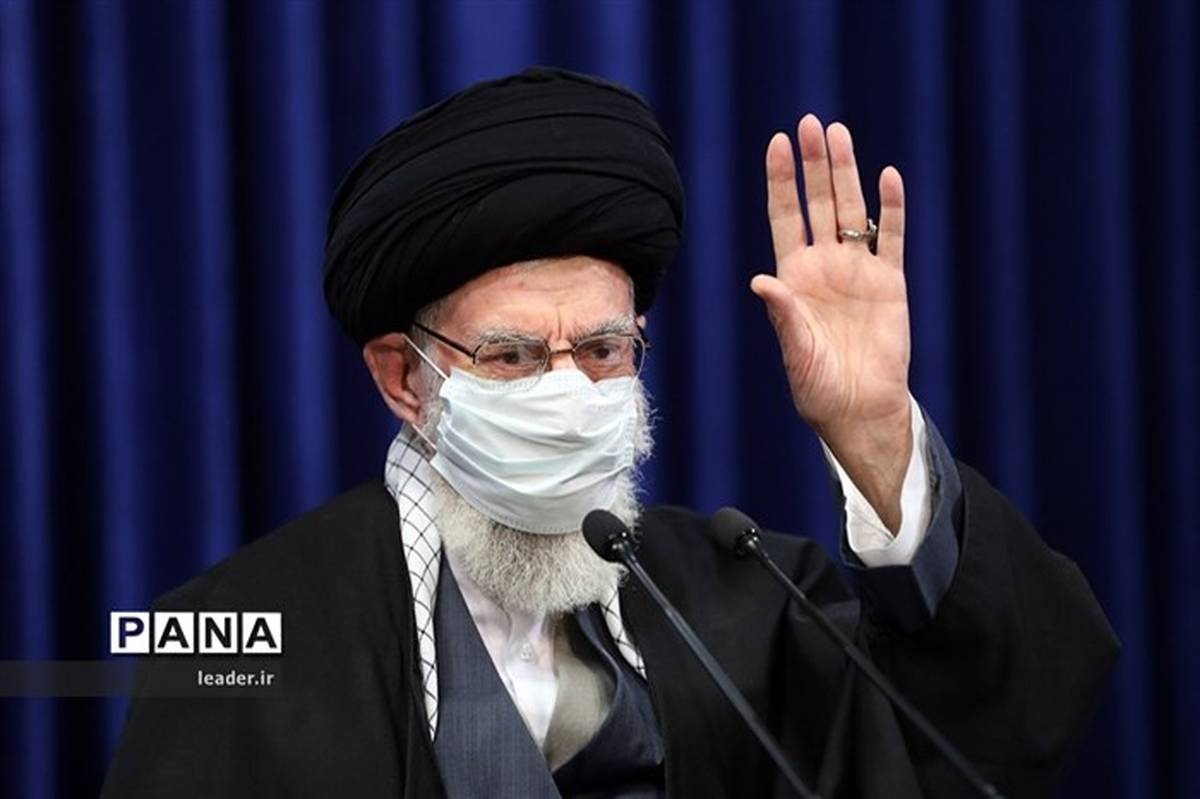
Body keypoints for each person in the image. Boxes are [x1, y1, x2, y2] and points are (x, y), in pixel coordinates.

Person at [102, 67, 1117, 798]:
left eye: (600, 348)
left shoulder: (745, 598)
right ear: (403, 378)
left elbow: (985, 727)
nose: (566, 391)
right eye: (511, 355)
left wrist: (875, 430)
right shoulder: (234, 633)